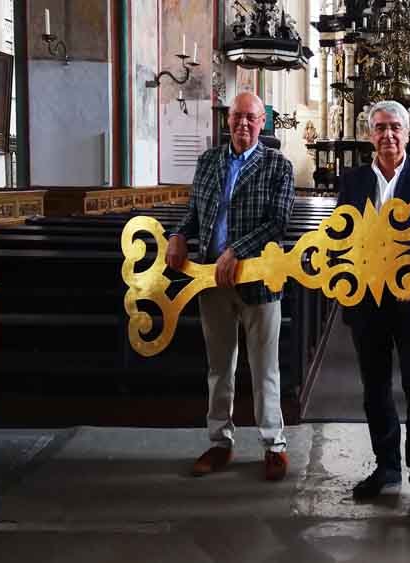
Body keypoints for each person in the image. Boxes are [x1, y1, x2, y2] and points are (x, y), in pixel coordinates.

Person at [166, 92, 296, 482]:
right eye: (237, 116)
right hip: (211, 277)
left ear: (262, 123)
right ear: (228, 120)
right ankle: (220, 441)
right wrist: (178, 235)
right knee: (219, 366)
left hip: (258, 279)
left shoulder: (278, 165)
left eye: (251, 118)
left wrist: (236, 251)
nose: (243, 124)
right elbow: (195, 211)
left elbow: (278, 221)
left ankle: (273, 445)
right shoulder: (208, 161)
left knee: (264, 367)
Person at [337, 100, 410, 520]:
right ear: (370, 134)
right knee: (375, 391)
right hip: (367, 303)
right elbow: (340, 238)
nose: (388, 135)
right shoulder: (352, 181)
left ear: (408, 133)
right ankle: (386, 467)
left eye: (395, 128)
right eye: (380, 127)